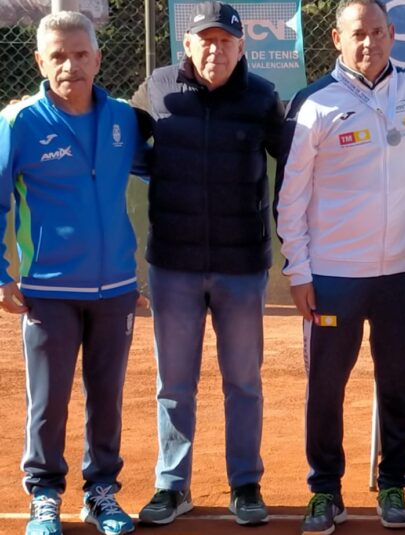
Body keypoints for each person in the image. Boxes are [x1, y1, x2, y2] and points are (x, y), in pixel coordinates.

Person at [275, 1, 405, 533]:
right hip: (332, 274)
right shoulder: (314, 103)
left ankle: (393, 482)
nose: (368, 43)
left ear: (393, 34)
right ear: (336, 38)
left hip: (401, 271)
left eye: (377, 32)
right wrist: (299, 270)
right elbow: (291, 194)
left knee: (397, 382)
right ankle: (325, 491)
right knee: (326, 385)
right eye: (357, 34)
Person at [129, 1, 283, 526]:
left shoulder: (262, 97)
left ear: (241, 47)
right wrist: (169, 177)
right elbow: (126, 147)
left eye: (226, 41)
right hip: (173, 264)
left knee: (243, 380)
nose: (215, 50)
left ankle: (245, 483)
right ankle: (173, 486)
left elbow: (293, 160)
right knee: (174, 383)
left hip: (243, 267)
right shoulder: (156, 89)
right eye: (205, 40)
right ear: (187, 46)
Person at [0, 11, 145, 535]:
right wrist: (0, 275)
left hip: (115, 292)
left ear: (97, 58)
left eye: (80, 54)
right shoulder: (18, 123)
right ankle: (44, 495)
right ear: (40, 60)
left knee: (106, 397)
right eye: (58, 56)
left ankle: (101, 493)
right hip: (48, 293)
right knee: (49, 401)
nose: (70, 65)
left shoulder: (125, 120)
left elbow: (168, 172)